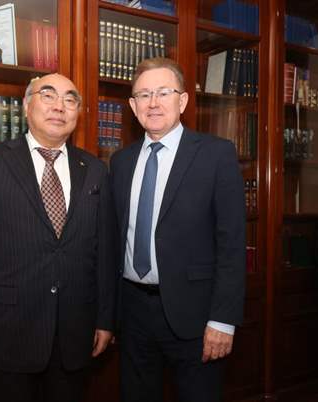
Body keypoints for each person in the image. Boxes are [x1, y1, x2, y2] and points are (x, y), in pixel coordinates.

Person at [0, 73, 117, 402]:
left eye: (70, 99)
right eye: (48, 95)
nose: (59, 106)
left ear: (78, 112)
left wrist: (105, 320)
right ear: (27, 105)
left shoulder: (95, 170)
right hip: (8, 330)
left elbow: (106, 254)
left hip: (76, 332)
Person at [109, 57, 246, 402]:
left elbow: (232, 244)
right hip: (132, 313)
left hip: (196, 316)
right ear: (133, 106)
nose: (153, 103)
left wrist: (223, 320)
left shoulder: (216, 155)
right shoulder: (120, 162)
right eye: (144, 95)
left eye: (163, 92)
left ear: (182, 101)